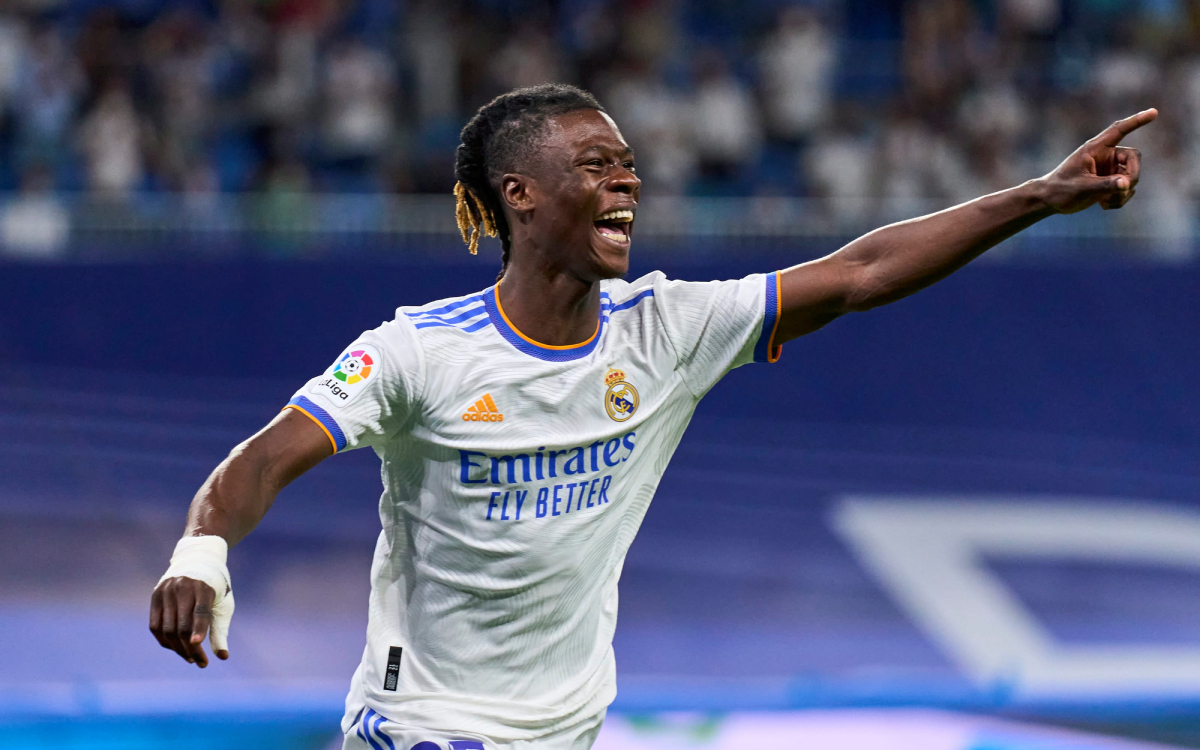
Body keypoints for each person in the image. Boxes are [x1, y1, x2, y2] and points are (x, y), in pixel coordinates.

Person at [149, 84, 1155, 750]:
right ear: (521, 195)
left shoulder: (667, 330)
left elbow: (859, 273)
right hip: (424, 722)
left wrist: (1040, 197)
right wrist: (201, 553)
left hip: (572, 724)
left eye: (628, 163)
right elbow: (263, 459)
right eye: (597, 165)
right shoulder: (419, 351)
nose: (627, 179)